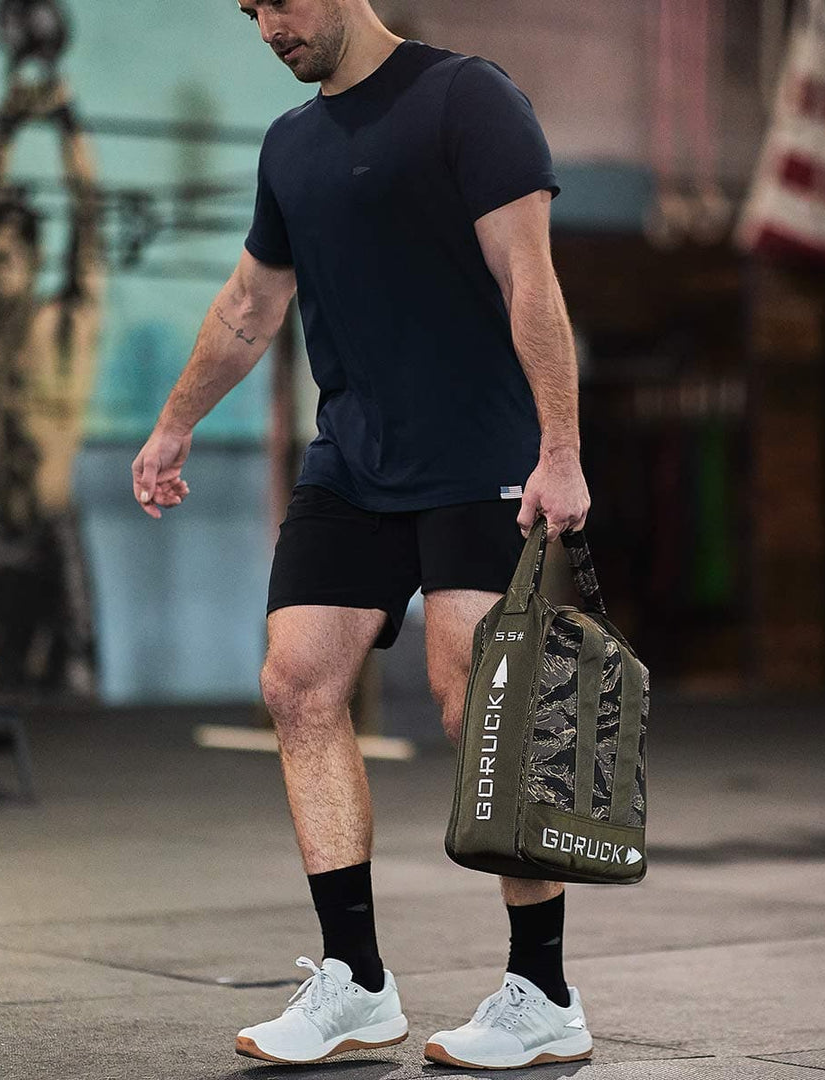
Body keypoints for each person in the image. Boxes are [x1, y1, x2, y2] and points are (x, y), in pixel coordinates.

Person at [131, 0, 592, 1069]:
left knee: (474, 700)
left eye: (278, 3)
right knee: (297, 683)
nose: (266, 29)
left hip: (480, 454)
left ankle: (543, 990)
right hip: (354, 458)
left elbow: (531, 279)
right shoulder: (291, 144)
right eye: (248, 12)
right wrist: (174, 423)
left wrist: (559, 446)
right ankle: (357, 983)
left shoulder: (466, 100)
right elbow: (253, 303)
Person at [0, 78, 104, 696]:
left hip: (48, 526)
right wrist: (4, 127)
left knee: (73, 692)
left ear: (34, 258)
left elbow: (88, 213)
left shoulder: (66, 322)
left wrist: (68, 123)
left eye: (7, 258)